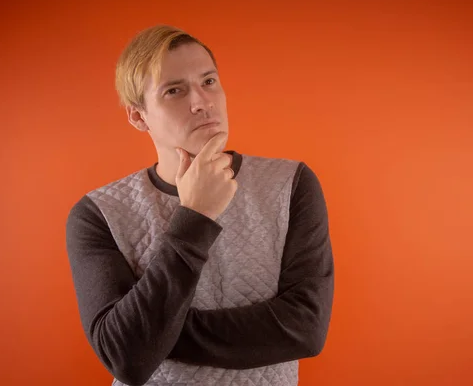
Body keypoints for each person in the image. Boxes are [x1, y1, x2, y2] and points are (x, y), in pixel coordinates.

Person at [65, 24, 334, 386]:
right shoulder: (98, 214)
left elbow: (306, 329)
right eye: (174, 91)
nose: (201, 102)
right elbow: (127, 360)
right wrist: (195, 216)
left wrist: (155, 337)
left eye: (208, 82)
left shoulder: (292, 184)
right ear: (138, 116)